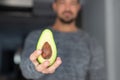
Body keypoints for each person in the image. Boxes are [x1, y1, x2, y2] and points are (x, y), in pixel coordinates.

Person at [20, 0, 106, 80]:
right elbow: (26, 71)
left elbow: (98, 76)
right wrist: (35, 68)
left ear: (78, 7)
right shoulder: (35, 36)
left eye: (72, 3)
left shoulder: (91, 42)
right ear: (54, 6)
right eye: (62, 2)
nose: (67, 8)